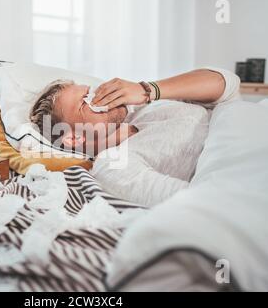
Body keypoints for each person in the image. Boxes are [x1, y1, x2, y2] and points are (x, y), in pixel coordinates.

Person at [29, 68, 241, 206]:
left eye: (90, 91)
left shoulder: (143, 107)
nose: (98, 96)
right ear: (74, 139)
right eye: (85, 101)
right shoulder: (114, 165)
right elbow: (208, 203)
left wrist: (148, 90)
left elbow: (228, 85)